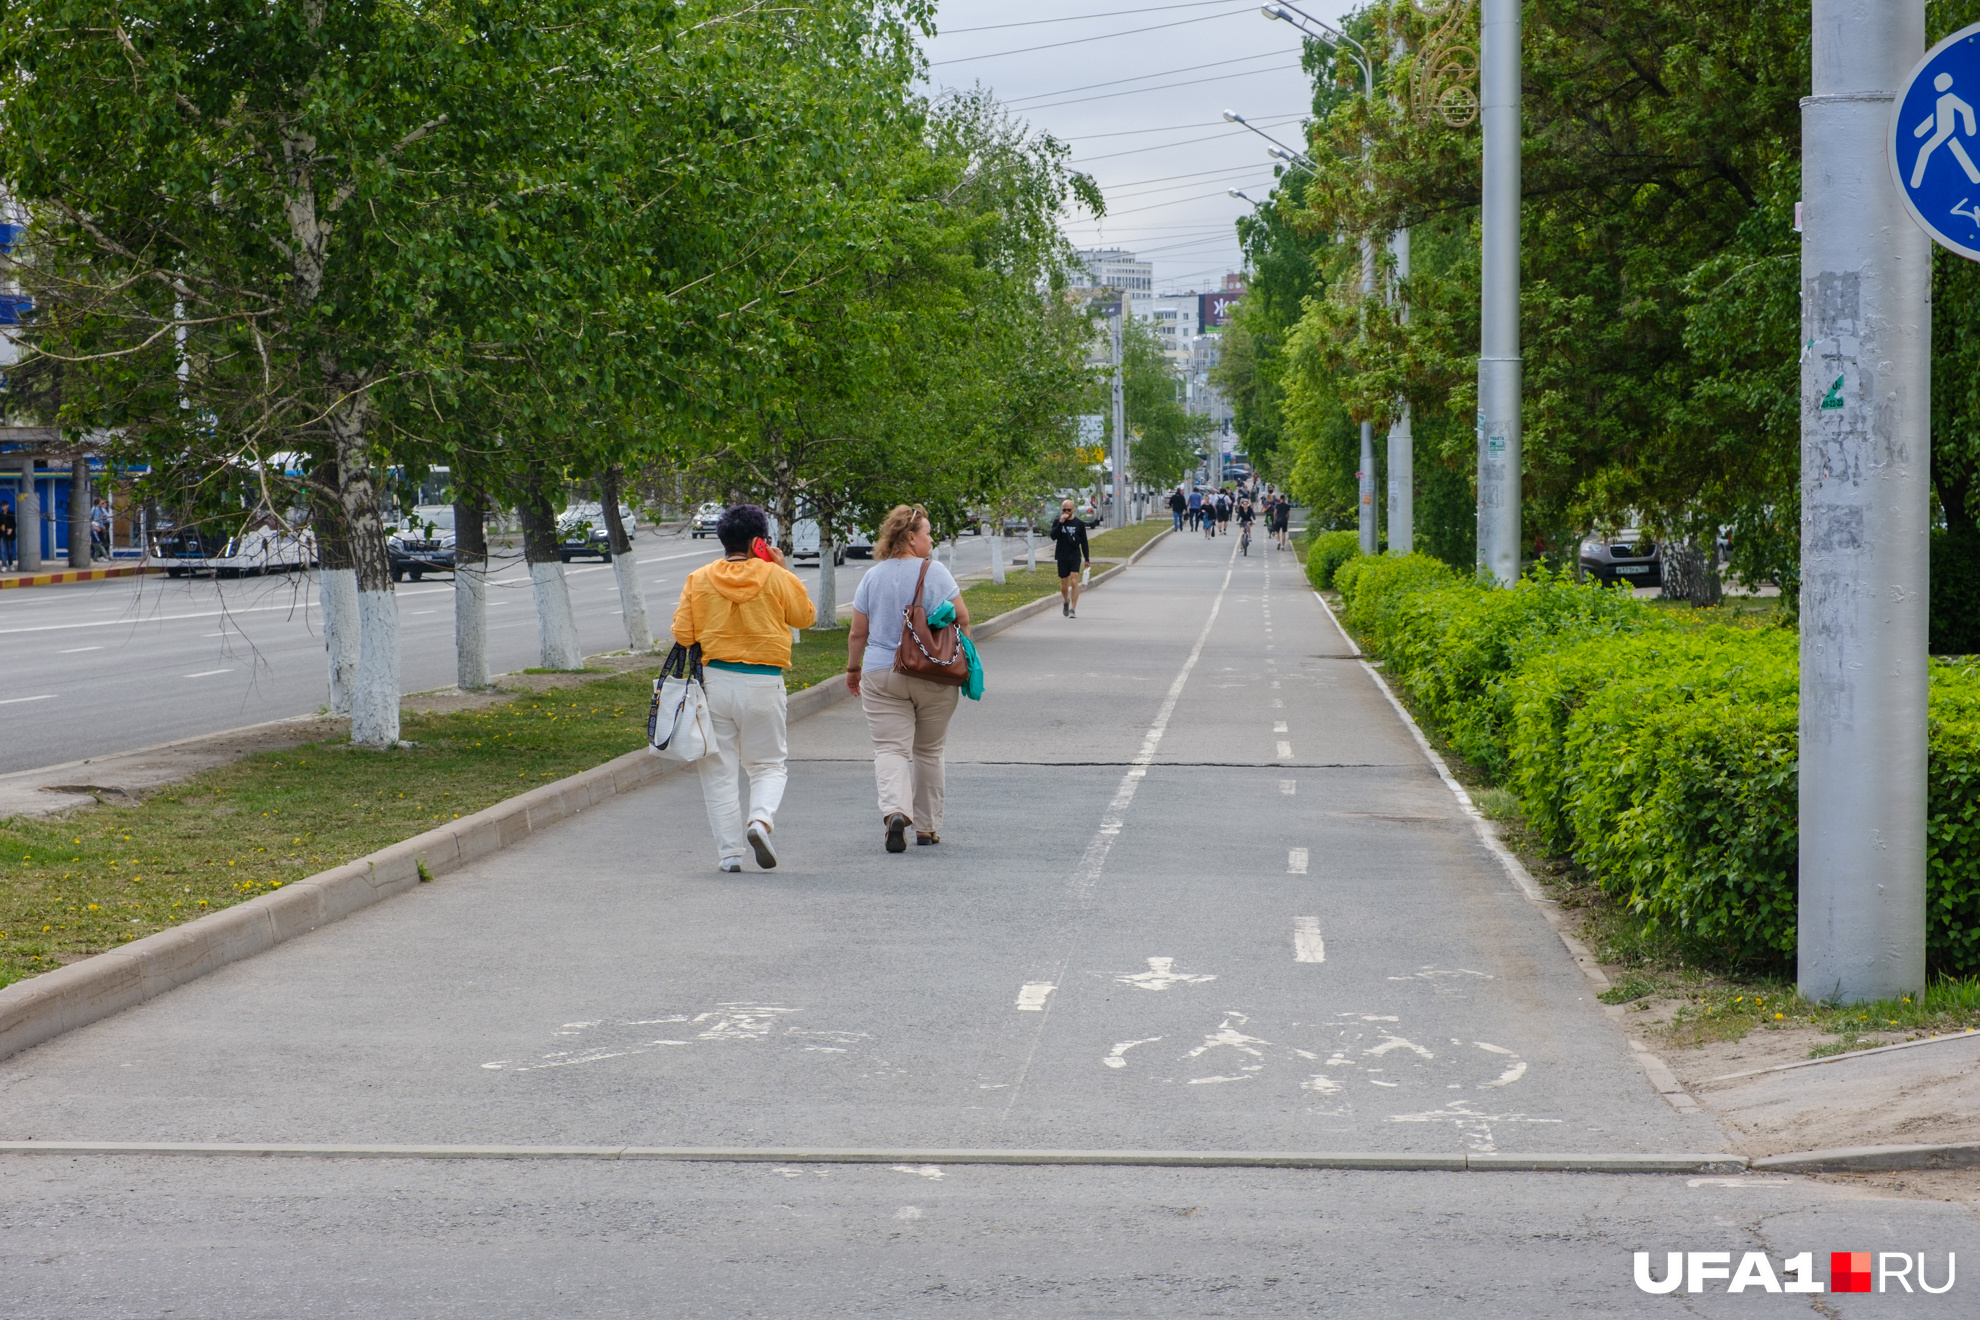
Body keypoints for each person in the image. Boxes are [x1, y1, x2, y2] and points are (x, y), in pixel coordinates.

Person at [670, 504, 817, 873]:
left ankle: (730, 856)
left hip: (715, 683)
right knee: (768, 763)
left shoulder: (699, 578)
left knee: (718, 770)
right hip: (764, 683)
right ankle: (760, 822)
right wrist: (782, 570)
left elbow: (683, 635)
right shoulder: (775, 575)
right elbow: (805, 617)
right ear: (758, 542)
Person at [847, 505, 972, 851]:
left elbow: (858, 632)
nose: (931, 539)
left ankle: (895, 812)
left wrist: (852, 669)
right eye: (927, 533)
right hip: (933, 672)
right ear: (911, 538)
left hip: (880, 672)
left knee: (890, 748)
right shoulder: (937, 573)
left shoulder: (873, 576)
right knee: (930, 751)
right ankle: (927, 828)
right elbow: (962, 618)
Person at [1048, 497, 1091, 616]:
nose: (1066, 512)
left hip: (1074, 555)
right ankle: (1066, 600)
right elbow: (1053, 536)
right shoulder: (1058, 521)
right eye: (1064, 510)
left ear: (1073, 509)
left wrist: (1087, 559)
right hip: (1062, 555)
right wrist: (1060, 523)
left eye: (1068, 510)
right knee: (1064, 583)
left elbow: (1084, 543)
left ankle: (1073, 608)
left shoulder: (1079, 524)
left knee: (1074, 578)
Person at [0, 500, 15, 571]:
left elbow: (14, 524)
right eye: (2, 506)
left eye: (4, 505)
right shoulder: (0, 514)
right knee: (3, 551)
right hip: (2, 534)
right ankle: (4, 565)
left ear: (7, 506)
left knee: (10, 551)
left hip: (9, 534)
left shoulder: (11, 513)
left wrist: (11, 529)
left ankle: (11, 564)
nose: (3, 507)